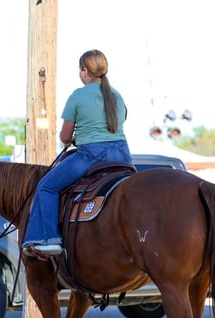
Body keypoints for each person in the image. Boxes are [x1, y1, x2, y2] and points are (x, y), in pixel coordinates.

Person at [22, 49, 133, 256]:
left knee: (46, 187)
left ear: (85, 71)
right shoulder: (117, 96)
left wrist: (74, 139)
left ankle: (48, 239)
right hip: (123, 156)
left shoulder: (78, 96)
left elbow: (65, 137)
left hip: (90, 155)